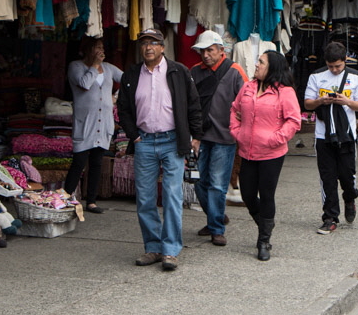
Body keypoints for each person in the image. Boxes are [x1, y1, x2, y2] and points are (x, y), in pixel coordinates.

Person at [117, 28, 202, 271]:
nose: (148, 47)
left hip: (172, 141)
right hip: (144, 141)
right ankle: (153, 248)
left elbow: (193, 104)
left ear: (163, 47)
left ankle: (171, 250)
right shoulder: (132, 74)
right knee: (145, 198)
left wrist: (196, 136)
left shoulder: (178, 71)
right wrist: (134, 137)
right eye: (144, 43)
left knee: (172, 196)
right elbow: (123, 108)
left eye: (154, 43)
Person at [229, 50, 301, 261]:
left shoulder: (284, 92)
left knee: (266, 194)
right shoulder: (248, 87)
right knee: (248, 195)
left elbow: (294, 121)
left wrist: (276, 139)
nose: (257, 64)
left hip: (271, 153)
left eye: (261, 62)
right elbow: (234, 110)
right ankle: (265, 221)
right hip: (247, 150)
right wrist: (236, 132)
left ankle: (263, 240)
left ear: (272, 68)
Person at [188, 30, 248, 247]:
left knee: (217, 185)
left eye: (210, 50)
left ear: (221, 50)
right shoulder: (194, 72)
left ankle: (216, 228)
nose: (205, 55)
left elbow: (247, 100)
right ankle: (217, 217)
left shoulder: (234, 70)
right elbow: (189, 103)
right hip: (201, 136)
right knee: (199, 183)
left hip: (225, 136)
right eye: (202, 51)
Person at [304, 42, 358, 235]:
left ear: (345, 61)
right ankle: (330, 217)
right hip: (324, 136)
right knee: (327, 178)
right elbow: (307, 104)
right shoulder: (316, 76)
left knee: (347, 175)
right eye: (330, 66)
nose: (334, 70)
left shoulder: (356, 77)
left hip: (346, 135)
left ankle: (350, 197)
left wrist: (346, 101)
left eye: (338, 66)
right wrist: (320, 101)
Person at [63, 37, 123, 214]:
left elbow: (130, 81)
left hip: (104, 122)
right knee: (79, 161)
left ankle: (91, 201)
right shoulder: (76, 67)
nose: (100, 50)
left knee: (97, 161)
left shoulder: (110, 68)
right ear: (88, 50)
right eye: (96, 47)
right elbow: (84, 84)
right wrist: (95, 65)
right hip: (86, 122)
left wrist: (117, 97)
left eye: (101, 47)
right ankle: (65, 197)